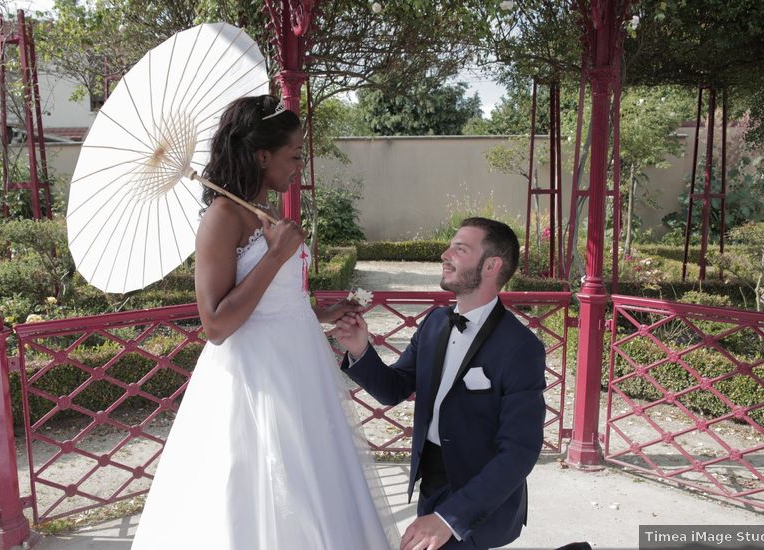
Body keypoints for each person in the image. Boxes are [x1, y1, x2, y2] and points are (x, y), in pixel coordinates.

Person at [132, 95, 396, 549]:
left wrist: (320, 313)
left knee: (316, 482)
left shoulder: (266, 212)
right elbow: (215, 325)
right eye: (294, 155)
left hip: (301, 369)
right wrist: (275, 255)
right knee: (266, 488)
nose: (298, 166)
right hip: (255, 379)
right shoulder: (220, 218)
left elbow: (274, 303)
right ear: (262, 155)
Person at [333, 218, 547, 550]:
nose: (445, 254)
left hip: (479, 502)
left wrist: (451, 518)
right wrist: (360, 347)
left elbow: (519, 452)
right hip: (430, 484)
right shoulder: (435, 322)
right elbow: (393, 388)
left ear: (491, 265)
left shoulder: (521, 348)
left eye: (460, 249)